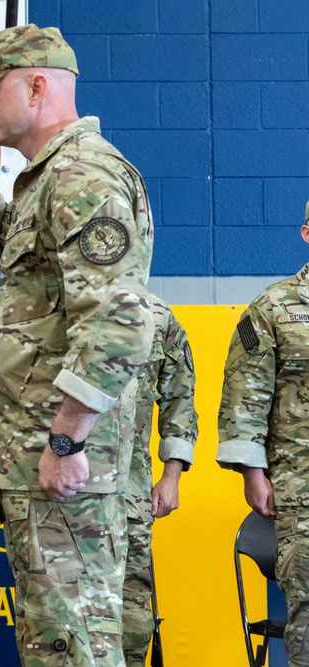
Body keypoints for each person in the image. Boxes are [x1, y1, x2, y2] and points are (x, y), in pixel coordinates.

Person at [0, 24, 155, 666]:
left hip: (63, 465)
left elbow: (119, 321)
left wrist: (67, 440)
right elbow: (0, 254)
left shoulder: (81, 176)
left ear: (36, 87)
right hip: (41, 460)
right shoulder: (44, 178)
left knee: (73, 647)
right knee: (59, 642)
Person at [217, 202, 309, 667]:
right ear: (307, 232)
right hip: (301, 491)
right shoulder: (273, 309)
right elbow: (243, 399)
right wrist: (253, 474)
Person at [122, 295, 198, 666]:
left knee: (133, 608)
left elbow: (180, 400)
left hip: (129, 492)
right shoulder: (49, 305)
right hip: (59, 496)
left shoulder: (159, 317)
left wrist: (172, 476)